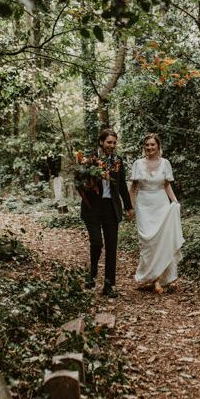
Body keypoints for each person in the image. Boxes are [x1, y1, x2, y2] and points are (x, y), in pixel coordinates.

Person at [79, 128, 133, 298]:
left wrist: (128, 206)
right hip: (92, 207)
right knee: (97, 243)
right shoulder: (88, 158)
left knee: (111, 247)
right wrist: (86, 186)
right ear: (101, 142)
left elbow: (122, 185)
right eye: (109, 142)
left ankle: (109, 285)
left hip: (111, 207)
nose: (112, 145)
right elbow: (78, 181)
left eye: (114, 143)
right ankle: (92, 272)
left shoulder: (118, 160)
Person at [129, 133, 184, 294]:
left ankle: (162, 279)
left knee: (163, 240)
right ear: (143, 147)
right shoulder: (138, 164)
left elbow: (167, 185)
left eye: (152, 145)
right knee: (148, 242)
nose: (149, 147)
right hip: (144, 205)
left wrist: (175, 202)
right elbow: (133, 188)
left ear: (158, 146)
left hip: (161, 203)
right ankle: (151, 277)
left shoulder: (165, 163)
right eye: (147, 145)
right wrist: (130, 207)